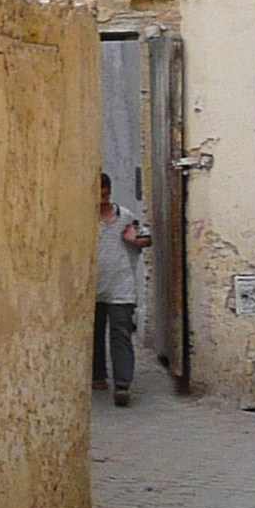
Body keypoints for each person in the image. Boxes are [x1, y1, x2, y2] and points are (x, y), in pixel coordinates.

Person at [95, 169, 151, 405]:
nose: (103, 201)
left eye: (106, 196)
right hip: (93, 288)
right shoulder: (82, 219)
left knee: (120, 334)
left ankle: (122, 385)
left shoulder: (124, 216)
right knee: (93, 334)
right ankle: (97, 375)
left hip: (121, 286)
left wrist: (135, 239)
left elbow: (146, 238)